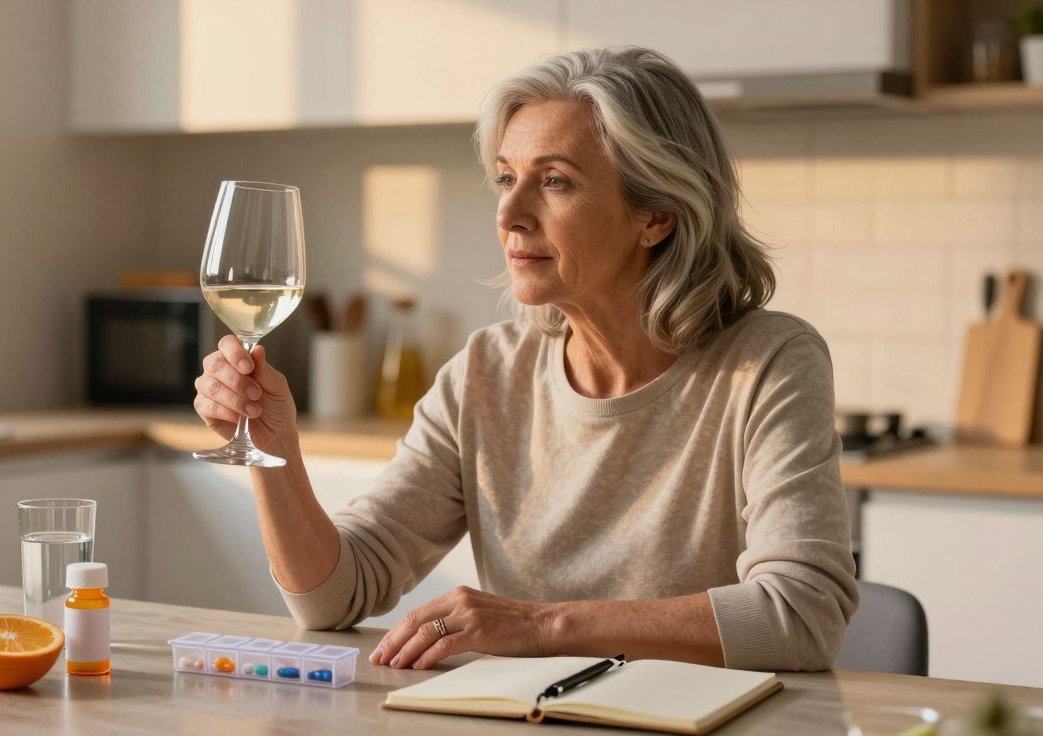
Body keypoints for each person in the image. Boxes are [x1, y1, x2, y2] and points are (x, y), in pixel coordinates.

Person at [193, 46, 857, 672]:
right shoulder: (487, 373)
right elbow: (334, 597)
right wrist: (274, 452)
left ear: (656, 215)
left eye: (555, 182)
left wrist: (542, 627)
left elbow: (800, 614)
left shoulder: (768, 364)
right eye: (506, 178)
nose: (509, 212)